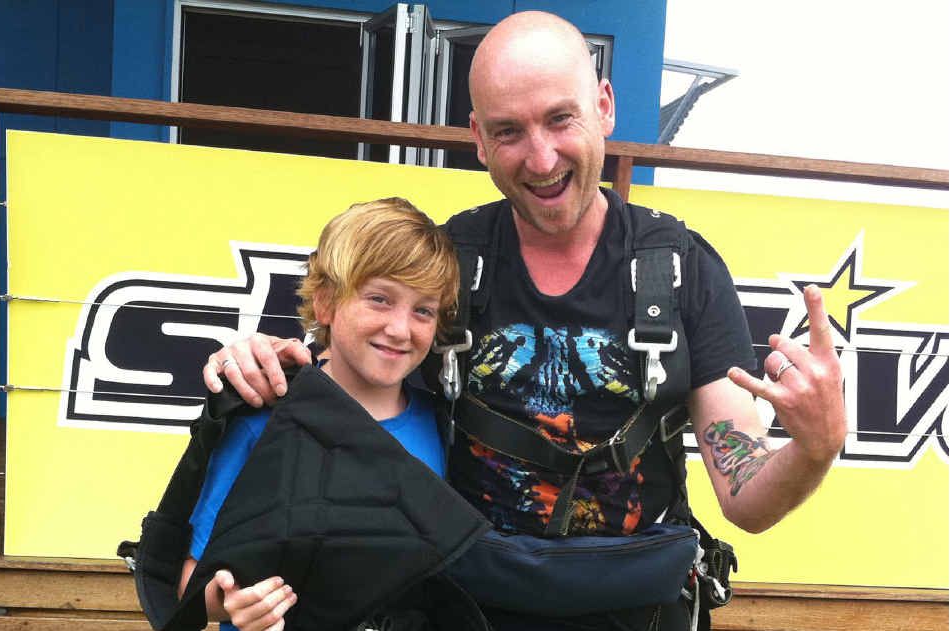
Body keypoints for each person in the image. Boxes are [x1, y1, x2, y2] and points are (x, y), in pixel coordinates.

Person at [202, 11, 847, 630]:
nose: (541, 160)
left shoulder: (681, 270)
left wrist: (814, 449)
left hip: (639, 608)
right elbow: (347, 365)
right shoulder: (446, 263)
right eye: (509, 131)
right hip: (464, 608)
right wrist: (262, 362)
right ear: (478, 139)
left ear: (604, 106)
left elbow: (744, 498)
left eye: (561, 119)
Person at [177, 197, 470, 631]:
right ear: (326, 303)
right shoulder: (265, 419)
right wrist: (231, 601)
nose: (400, 329)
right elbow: (190, 582)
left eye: (423, 310)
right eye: (379, 299)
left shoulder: (443, 426)